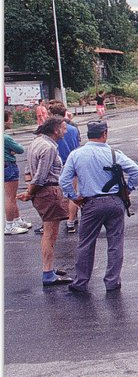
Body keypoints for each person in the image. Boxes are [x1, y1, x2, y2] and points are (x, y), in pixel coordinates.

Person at [59, 120, 138, 293]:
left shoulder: (76, 155)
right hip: (114, 202)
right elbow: (136, 171)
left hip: (90, 203)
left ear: (88, 135)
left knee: (86, 243)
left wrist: (74, 197)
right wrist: (128, 189)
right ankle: (112, 282)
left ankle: (81, 282)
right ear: (104, 133)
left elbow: (64, 180)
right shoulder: (114, 154)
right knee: (115, 243)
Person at [17, 117, 72, 286]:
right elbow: (40, 176)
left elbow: (28, 171)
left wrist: (30, 190)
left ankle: (50, 269)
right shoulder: (48, 148)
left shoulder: (36, 142)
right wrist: (29, 192)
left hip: (43, 192)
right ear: (56, 130)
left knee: (50, 233)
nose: (66, 131)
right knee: (50, 234)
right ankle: (48, 273)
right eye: (63, 128)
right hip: (49, 192)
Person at [48, 102, 81, 233]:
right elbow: (78, 142)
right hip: (72, 163)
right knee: (72, 193)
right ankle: (71, 220)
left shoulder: (52, 129)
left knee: (56, 194)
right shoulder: (73, 128)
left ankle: (54, 219)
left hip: (56, 164)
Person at [4, 110, 31, 235]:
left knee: (11, 196)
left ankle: (17, 220)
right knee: (11, 197)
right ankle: (9, 225)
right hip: (8, 165)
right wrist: (11, 151)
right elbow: (20, 149)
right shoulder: (6, 138)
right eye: (9, 118)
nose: (11, 121)